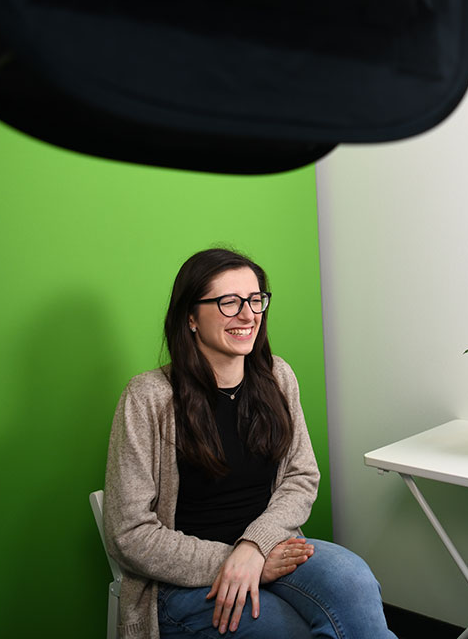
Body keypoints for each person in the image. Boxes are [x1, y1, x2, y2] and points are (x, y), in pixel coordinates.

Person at [103, 248, 397, 638]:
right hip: (185, 584)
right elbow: (129, 534)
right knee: (288, 630)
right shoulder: (148, 397)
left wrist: (254, 548)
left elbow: (301, 475)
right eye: (228, 302)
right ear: (190, 317)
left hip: (271, 549)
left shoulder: (277, 377)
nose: (248, 314)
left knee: (355, 583)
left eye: (256, 299)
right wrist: (233, 559)